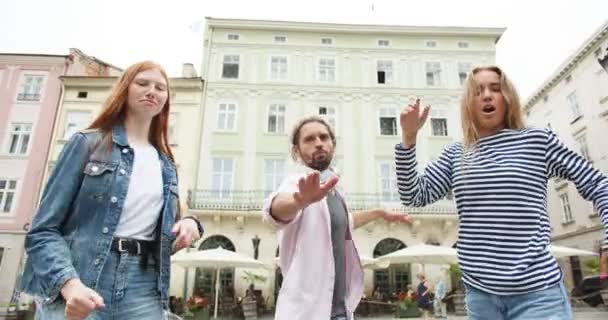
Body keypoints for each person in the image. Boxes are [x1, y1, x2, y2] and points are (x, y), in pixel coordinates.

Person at [395, 65, 608, 320]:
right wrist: (408, 139)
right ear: (468, 104)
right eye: (478, 91)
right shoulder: (456, 154)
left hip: (538, 296)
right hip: (482, 299)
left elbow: (598, 185)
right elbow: (414, 196)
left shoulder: (537, 141)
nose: (487, 95)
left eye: (495, 89)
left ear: (507, 98)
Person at [20, 61, 204, 320]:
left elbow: (165, 237)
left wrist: (189, 222)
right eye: (142, 83)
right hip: (82, 279)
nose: (152, 91)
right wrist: (69, 285)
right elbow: (42, 231)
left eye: (160, 88)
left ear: (166, 100)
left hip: (143, 286)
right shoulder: (88, 144)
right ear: (124, 90)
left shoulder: (166, 164)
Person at [263, 117, 412, 320]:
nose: (318, 143)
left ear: (333, 144)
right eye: (309, 139)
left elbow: (345, 223)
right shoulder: (297, 183)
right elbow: (274, 212)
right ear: (296, 151)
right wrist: (300, 202)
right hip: (307, 313)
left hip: (341, 311)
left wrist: (378, 213)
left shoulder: (334, 190)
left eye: (324, 137)